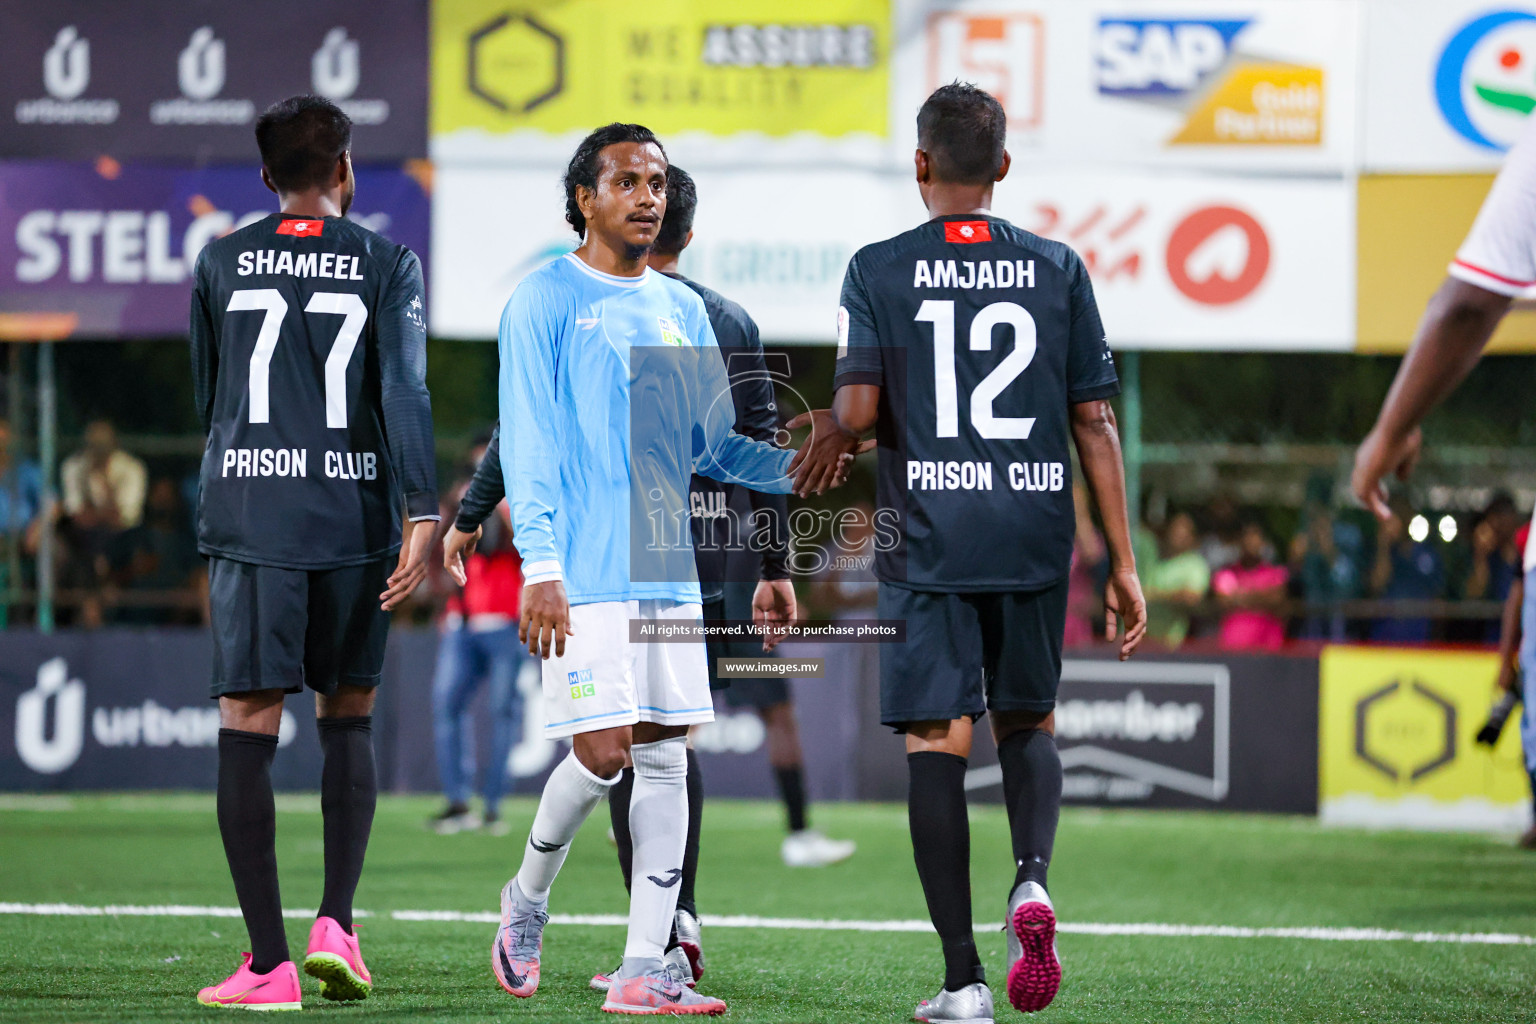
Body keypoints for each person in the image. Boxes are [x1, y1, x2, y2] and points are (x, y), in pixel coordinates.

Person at [789, 83, 1147, 1022]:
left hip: (932, 540)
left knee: (934, 741)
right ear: (1002, 168)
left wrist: (833, 425)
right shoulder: (1059, 267)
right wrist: (1125, 559)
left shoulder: (876, 268)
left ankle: (963, 980)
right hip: (1033, 529)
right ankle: (1031, 879)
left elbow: (860, 416)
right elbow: (1096, 422)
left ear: (920, 165)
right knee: (1027, 723)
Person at [487, 124, 816, 1017]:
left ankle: (645, 966)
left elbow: (707, 443)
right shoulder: (543, 300)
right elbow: (528, 441)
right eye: (626, 180)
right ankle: (527, 899)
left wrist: (798, 461)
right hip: (583, 570)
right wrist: (540, 566)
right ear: (584, 198)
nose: (647, 196)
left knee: (665, 758)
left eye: (658, 181)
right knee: (600, 756)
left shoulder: (680, 310)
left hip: (667, 566)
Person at [188, 95, 438, 1011]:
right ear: (345, 170)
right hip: (353, 519)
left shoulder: (219, 258)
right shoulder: (387, 261)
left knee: (248, 725)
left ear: (265, 176)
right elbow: (405, 392)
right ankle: (336, 921)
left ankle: (266, 965)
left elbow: (210, 396)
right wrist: (422, 513)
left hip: (253, 515)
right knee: (349, 717)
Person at [427, 434, 525, 836]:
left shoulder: (520, 497)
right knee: (446, 707)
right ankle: (458, 801)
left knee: (502, 715)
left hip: (504, 620)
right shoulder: (458, 498)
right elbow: (439, 548)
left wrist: (495, 500)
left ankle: (493, 806)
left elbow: (515, 540)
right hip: (462, 620)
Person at [1475, 517, 1536, 848]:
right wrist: (1505, 659)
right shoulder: (1529, 538)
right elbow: (1517, 596)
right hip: (1533, 654)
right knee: (1533, 738)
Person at [1368, 503, 1444, 644]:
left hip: (1419, 637)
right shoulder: (1381, 553)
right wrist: (1383, 546)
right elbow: (1376, 585)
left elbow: (1438, 598)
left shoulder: (1427, 553)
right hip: (1384, 638)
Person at [1212, 521, 1289, 650]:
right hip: (1233, 646)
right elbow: (1223, 601)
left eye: (1255, 538)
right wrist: (1262, 596)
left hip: (1267, 645)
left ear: (1263, 543)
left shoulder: (1275, 573)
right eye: (1246, 538)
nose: (1250, 543)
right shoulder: (1227, 573)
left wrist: (1242, 596)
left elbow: (1276, 599)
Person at [1141, 511, 1210, 649]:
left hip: (1171, 645)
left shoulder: (1195, 564)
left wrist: (1152, 595)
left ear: (1192, 536)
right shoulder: (1154, 561)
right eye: (1175, 528)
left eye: (1183, 530)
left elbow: (1191, 598)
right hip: (1141, 641)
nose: (1177, 534)